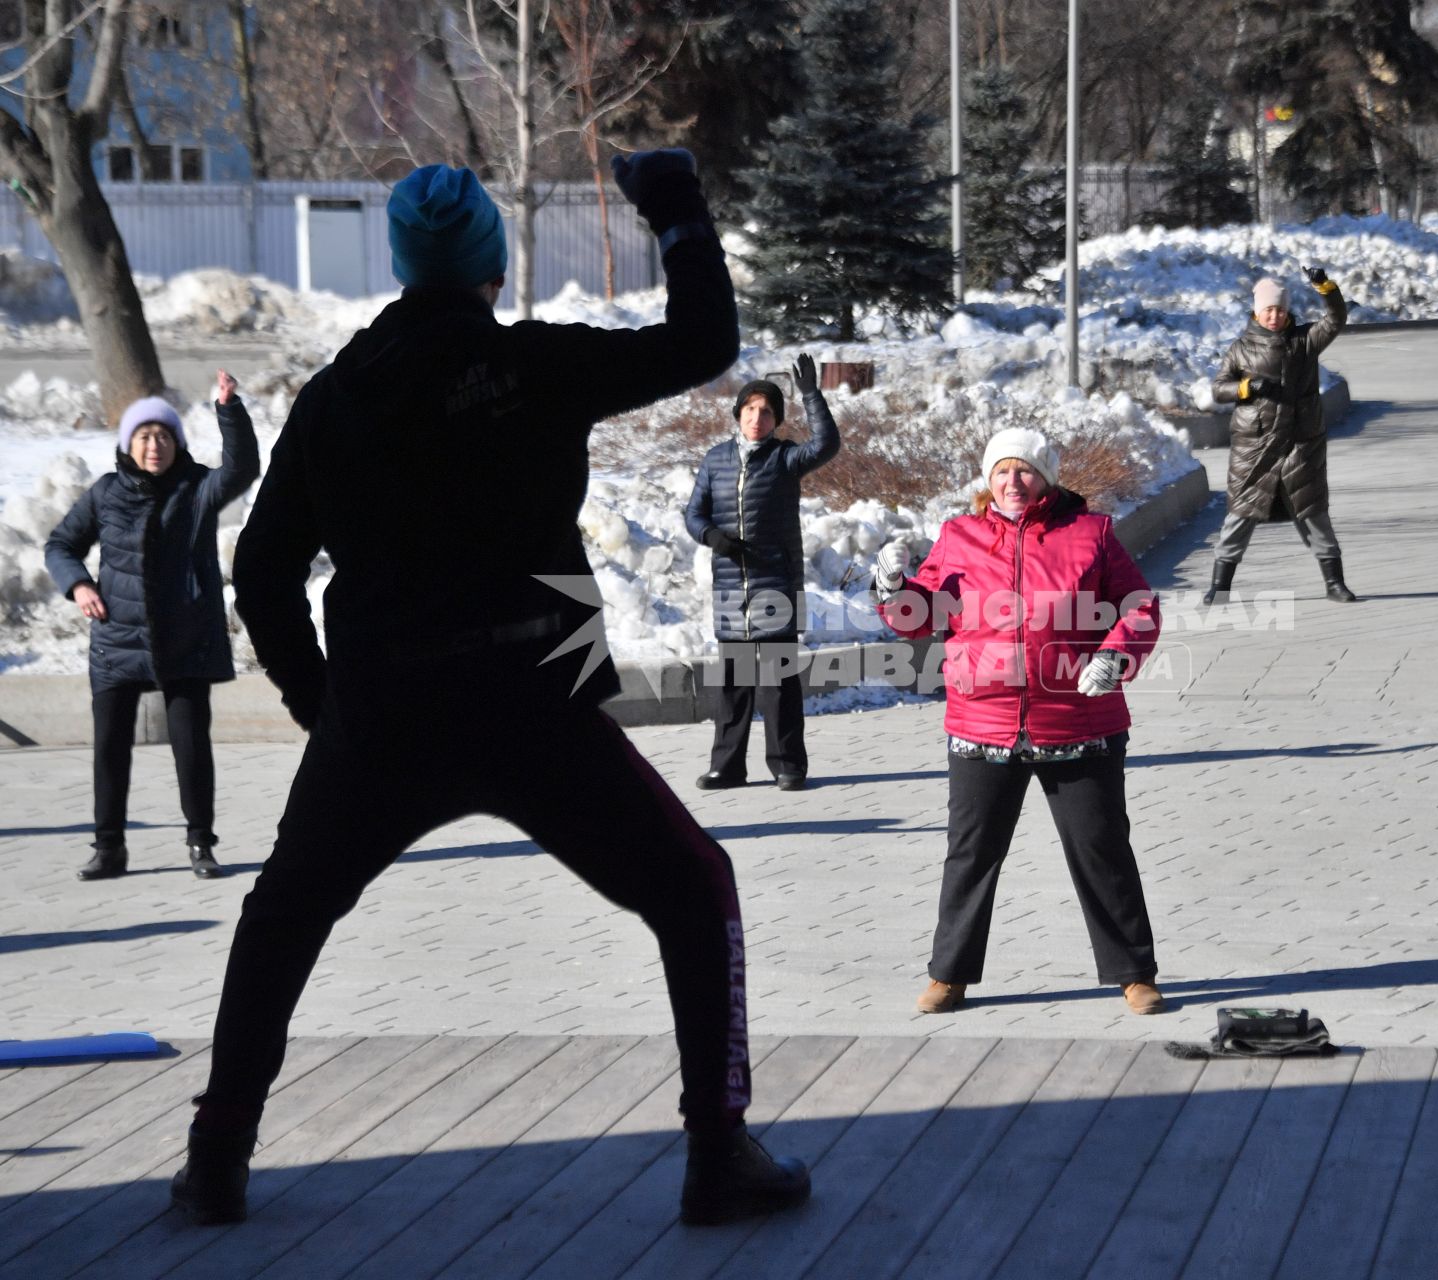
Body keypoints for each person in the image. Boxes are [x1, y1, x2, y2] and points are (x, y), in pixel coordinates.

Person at [168, 156, 808, 1229]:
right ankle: (716, 1149)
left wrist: (316, 699)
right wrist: (678, 215)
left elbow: (263, 571)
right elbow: (703, 345)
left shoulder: (337, 398)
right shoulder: (529, 367)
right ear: (492, 265)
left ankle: (216, 1156)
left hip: (383, 713)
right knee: (693, 888)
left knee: (280, 919)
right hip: (530, 697)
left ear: (401, 262)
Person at [875, 428, 1166, 1018]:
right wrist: (892, 589)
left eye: (1026, 470)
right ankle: (949, 975)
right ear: (988, 479)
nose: (1013, 482)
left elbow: (1139, 606)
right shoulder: (958, 537)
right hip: (982, 724)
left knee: (1102, 848)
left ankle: (1133, 973)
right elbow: (921, 616)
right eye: (1002, 471)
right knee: (971, 854)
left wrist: (1115, 656)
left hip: (1080, 721)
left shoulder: (1093, 534)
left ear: (1048, 478)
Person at [45, 371, 259, 881]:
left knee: (191, 746)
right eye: (144, 436)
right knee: (110, 750)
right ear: (128, 444)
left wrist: (229, 409)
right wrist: (78, 585)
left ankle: (200, 843)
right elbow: (60, 545)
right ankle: (109, 848)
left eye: (163, 436)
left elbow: (243, 469)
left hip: (184, 640)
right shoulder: (104, 494)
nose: (154, 445)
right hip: (117, 641)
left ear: (176, 443)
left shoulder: (197, 489)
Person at [685, 357, 839, 792]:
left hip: (776, 585)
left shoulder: (786, 458)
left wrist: (810, 394)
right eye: (750, 409)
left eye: (767, 411)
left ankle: (788, 766)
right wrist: (711, 536)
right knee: (733, 685)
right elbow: (694, 513)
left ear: (776, 420)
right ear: (738, 414)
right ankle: (728, 767)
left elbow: (827, 444)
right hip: (732, 587)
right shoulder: (715, 460)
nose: (757, 418)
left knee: (778, 684)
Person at [1202, 267, 1357, 606]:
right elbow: (1217, 390)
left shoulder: (1305, 341)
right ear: (1257, 311)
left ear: (1288, 311)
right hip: (1254, 448)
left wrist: (1324, 286)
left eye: (1280, 309)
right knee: (1239, 517)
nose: (1274, 316)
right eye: (1268, 310)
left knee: (1314, 514)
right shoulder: (1240, 349)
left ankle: (1335, 583)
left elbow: (1336, 318)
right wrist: (1246, 387)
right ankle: (1220, 586)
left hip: (1301, 446)